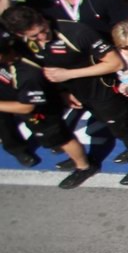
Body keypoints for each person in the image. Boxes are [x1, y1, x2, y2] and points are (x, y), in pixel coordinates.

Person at [2, 5, 128, 184]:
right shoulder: (23, 44)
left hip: (102, 90)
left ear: (42, 18)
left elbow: (115, 63)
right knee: (109, 123)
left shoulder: (76, 32)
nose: (42, 37)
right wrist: (63, 90)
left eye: (43, 31)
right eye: (34, 36)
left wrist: (68, 75)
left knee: (124, 127)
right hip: (77, 93)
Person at [0, 29, 97, 188]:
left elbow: (26, 107)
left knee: (63, 139)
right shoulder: (12, 58)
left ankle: (84, 166)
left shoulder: (27, 74)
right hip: (23, 106)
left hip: (42, 114)